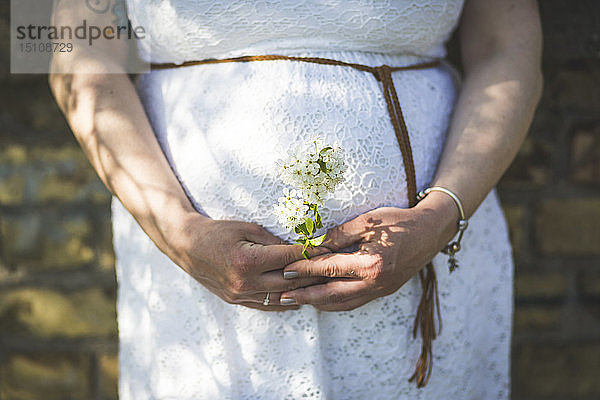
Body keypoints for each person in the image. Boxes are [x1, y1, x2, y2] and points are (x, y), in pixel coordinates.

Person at [49, 0, 542, 398]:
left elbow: (509, 46)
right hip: (191, 275)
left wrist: (441, 216)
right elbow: (72, 52)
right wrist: (178, 231)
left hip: (423, 260)